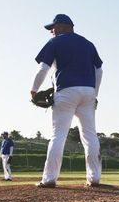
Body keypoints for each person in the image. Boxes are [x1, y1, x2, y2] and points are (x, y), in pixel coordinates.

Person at [31, 14, 103, 188]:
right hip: (88, 91)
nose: (51, 32)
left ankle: (49, 179)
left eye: (53, 28)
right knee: (90, 135)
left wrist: (33, 90)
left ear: (63, 27)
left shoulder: (55, 42)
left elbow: (43, 69)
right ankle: (94, 178)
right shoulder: (88, 43)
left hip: (66, 91)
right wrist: (95, 94)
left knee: (58, 136)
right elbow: (99, 71)